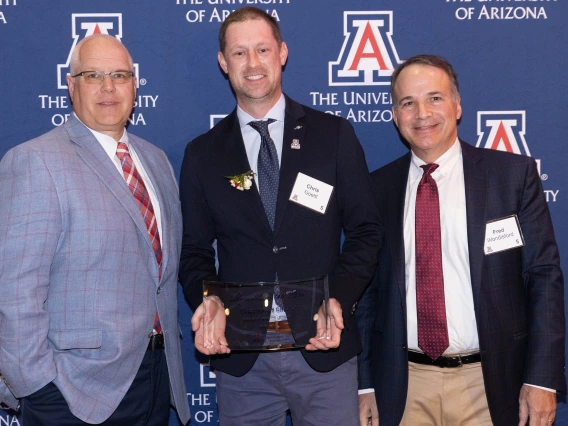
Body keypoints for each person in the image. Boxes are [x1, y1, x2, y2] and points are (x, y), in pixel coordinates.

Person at [178, 7, 381, 426]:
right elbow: (194, 251)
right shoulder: (203, 154)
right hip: (242, 363)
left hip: (324, 352)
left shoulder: (334, 135)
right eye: (239, 53)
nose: (253, 64)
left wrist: (336, 299)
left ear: (282, 53)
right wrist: (208, 298)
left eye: (262, 49)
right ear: (223, 63)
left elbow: (365, 233)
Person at [357, 54, 565, 426]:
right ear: (394, 114)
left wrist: (542, 379)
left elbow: (544, 280)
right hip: (404, 388)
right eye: (408, 102)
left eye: (434, 98)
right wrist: (364, 385)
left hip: (491, 385)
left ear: (457, 105)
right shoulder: (376, 189)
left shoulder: (512, 178)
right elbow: (367, 296)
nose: (422, 113)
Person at [0, 34, 190, 425]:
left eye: (120, 75)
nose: (108, 87)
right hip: (73, 391)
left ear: (135, 86)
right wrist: (37, 387)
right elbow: (15, 291)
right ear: (71, 86)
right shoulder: (35, 161)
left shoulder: (157, 163)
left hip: (156, 380)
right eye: (93, 75)